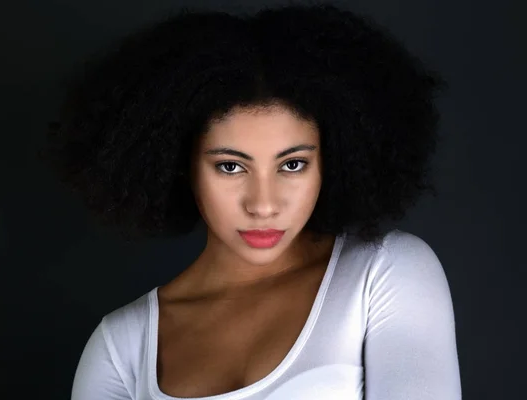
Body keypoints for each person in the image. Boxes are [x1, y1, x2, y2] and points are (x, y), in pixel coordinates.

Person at [41, 2, 462, 399]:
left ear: (332, 162)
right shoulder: (121, 348)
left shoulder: (383, 275)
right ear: (179, 165)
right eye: (230, 167)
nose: (264, 205)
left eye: (292, 165)